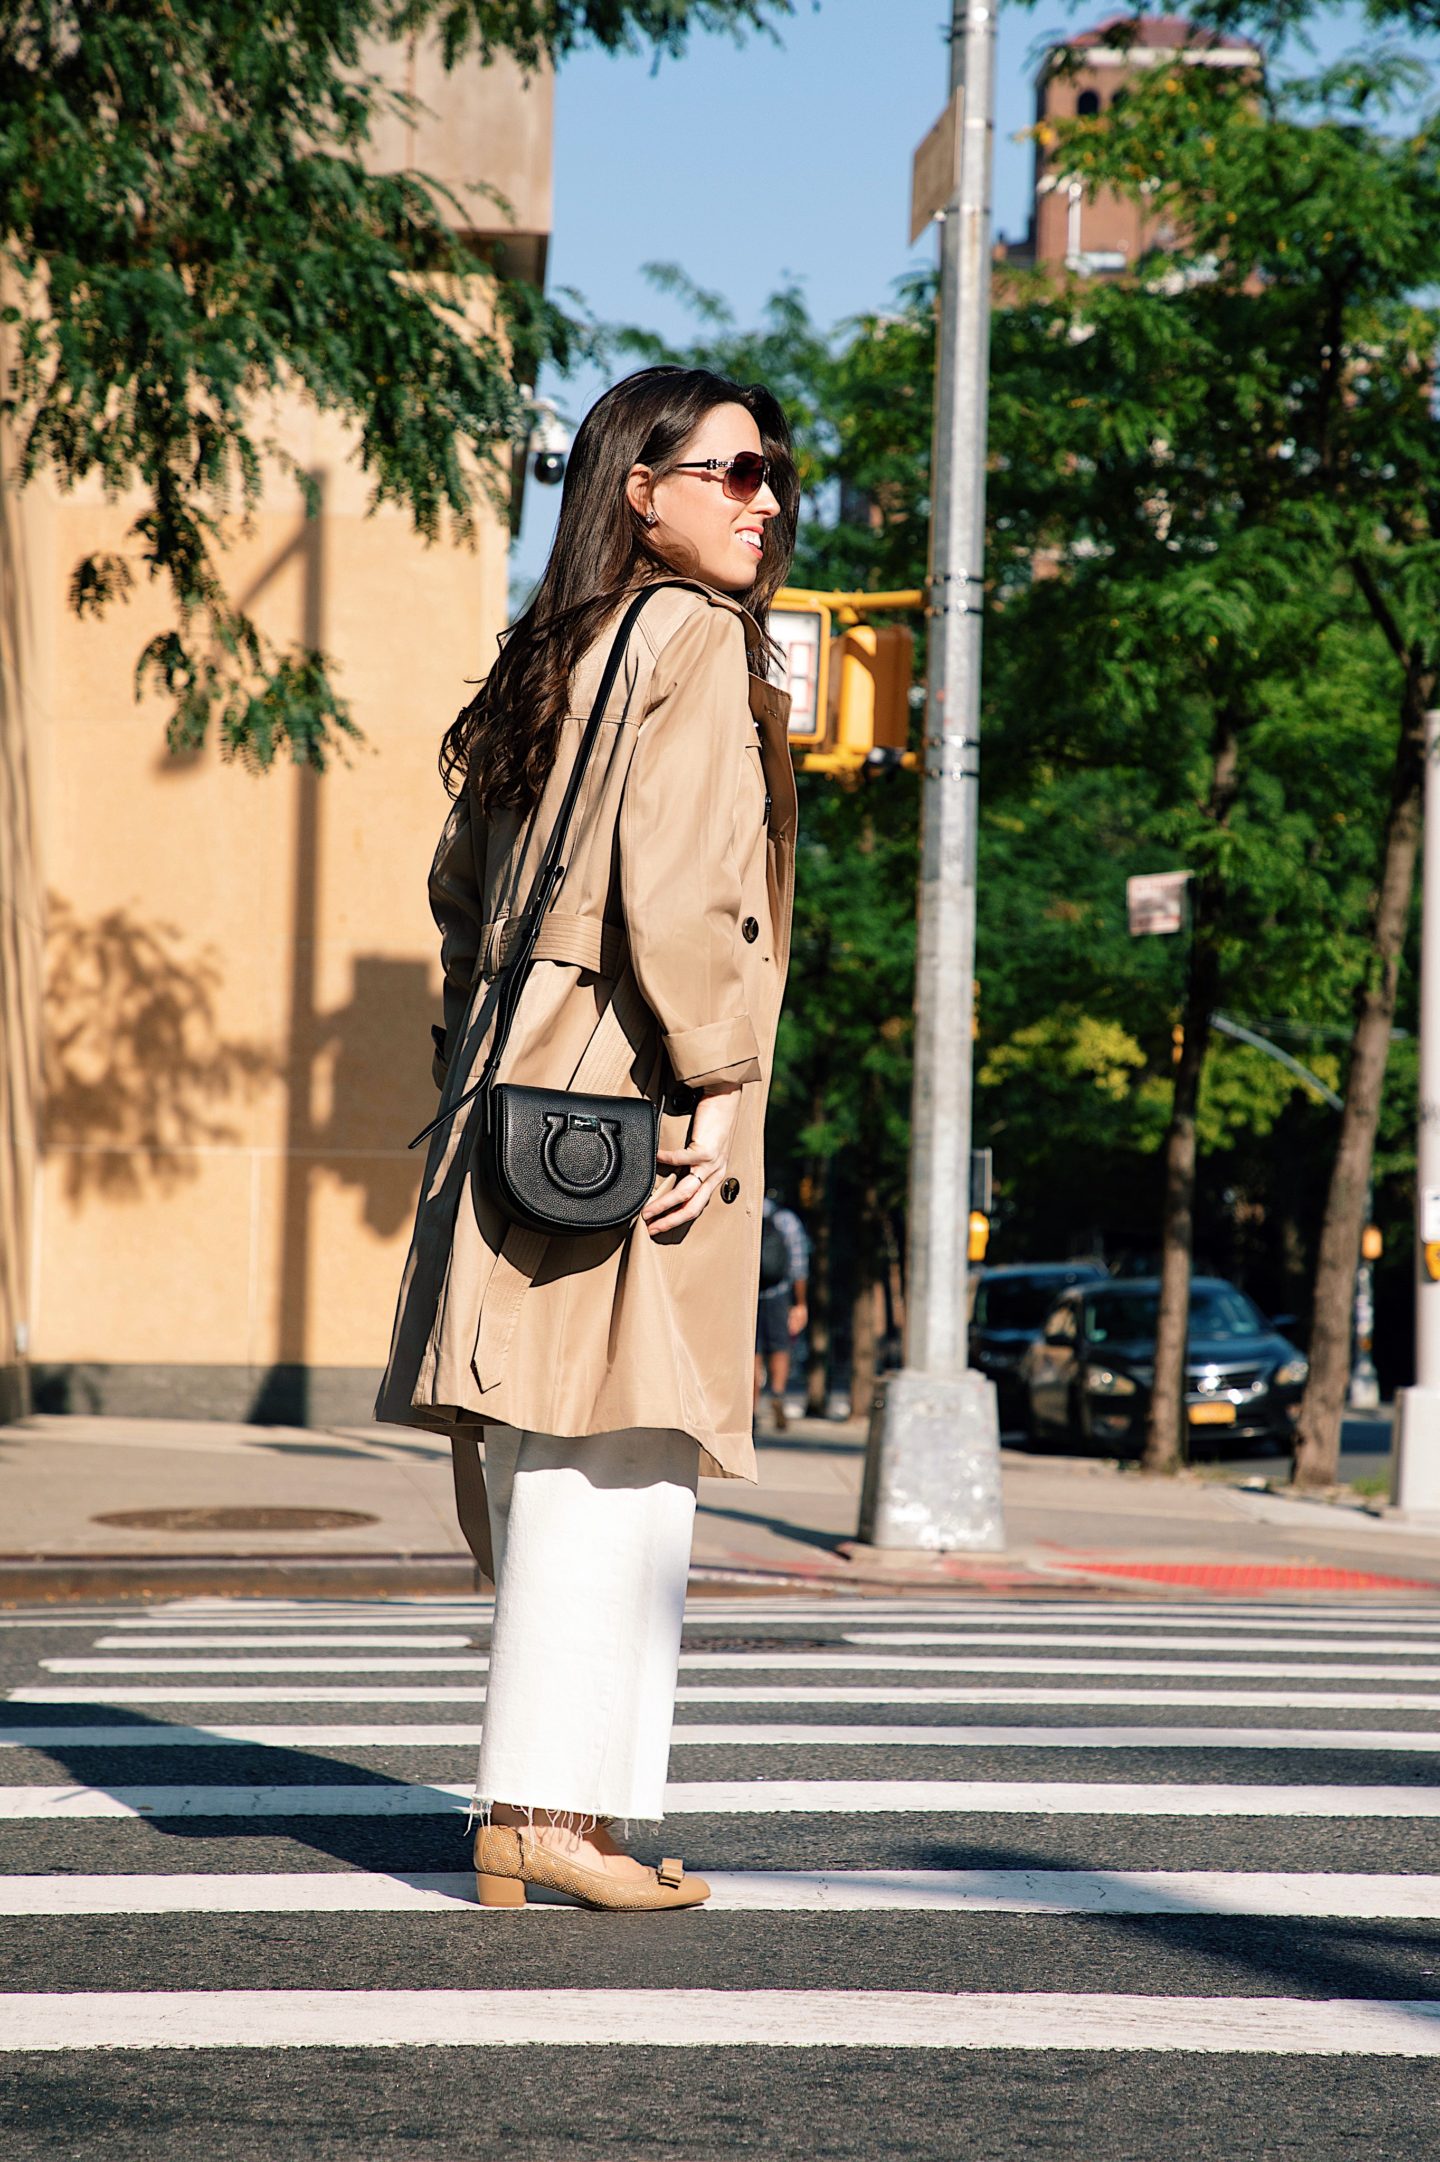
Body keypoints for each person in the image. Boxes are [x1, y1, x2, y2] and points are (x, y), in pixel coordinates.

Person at [376, 366, 799, 1911]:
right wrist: (720, 1077)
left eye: (772, 475)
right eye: (734, 472)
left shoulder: (547, 655)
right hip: (633, 1067)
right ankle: (552, 1812)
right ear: (641, 486)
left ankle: (547, 1811)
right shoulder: (690, 639)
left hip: (516, 1078)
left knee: (552, 1436)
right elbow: (683, 890)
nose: (765, 501)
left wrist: (490, 1036)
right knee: (618, 1454)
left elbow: (455, 890)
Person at [755, 1192, 809, 1430]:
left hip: (749, 1295)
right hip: (778, 1293)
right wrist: (800, 1303)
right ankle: (777, 1393)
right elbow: (798, 1264)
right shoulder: (786, 1219)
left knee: (751, 1352)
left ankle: (751, 1407)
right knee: (780, 1346)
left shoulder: (746, 1210)